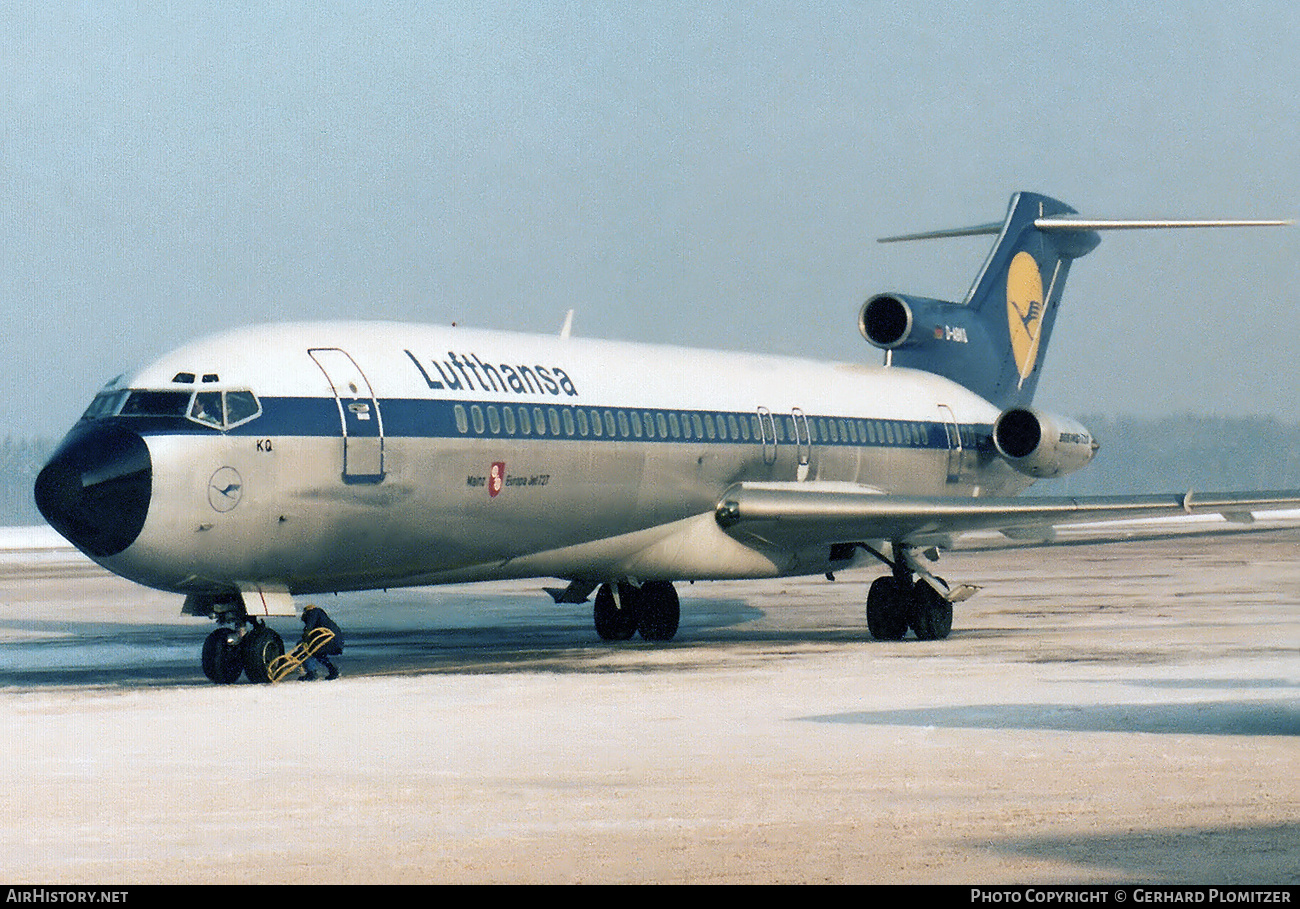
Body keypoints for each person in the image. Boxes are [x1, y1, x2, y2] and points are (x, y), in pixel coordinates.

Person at [298, 603, 344, 681]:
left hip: (329, 640)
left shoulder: (312, 613)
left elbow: (309, 628)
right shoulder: (321, 617)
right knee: (318, 653)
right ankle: (333, 670)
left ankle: (311, 673)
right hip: (336, 642)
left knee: (305, 649)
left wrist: (306, 635)